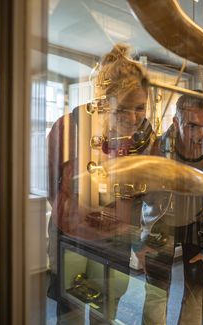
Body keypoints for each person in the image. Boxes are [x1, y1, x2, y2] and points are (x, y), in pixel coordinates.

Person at [47, 44, 156, 324]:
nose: (133, 119)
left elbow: (147, 192)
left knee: (106, 310)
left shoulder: (145, 136)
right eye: (123, 110)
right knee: (69, 310)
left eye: (140, 108)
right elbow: (50, 184)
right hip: (71, 235)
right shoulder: (69, 127)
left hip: (117, 238)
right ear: (105, 103)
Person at [134, 92, 203, 325]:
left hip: (201, 228)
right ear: (176, 123)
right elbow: (136, 195)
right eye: (192, 125)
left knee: (196, 294)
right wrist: (139, 240)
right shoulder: (154, 150)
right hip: (159, 227)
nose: (202, 135)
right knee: (156, 292)